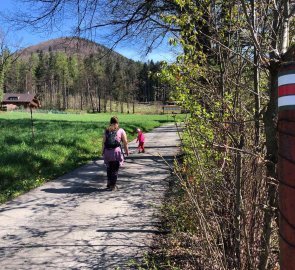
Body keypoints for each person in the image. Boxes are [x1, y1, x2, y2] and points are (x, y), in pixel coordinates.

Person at [102, 116, 129, 190]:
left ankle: (109, 182)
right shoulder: (121, 130)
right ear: (117, 123)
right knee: (115, 169)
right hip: (116, 153)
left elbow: (103, 142)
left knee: (109, 168)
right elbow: (125, 142)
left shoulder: (107, 130)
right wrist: (126, 151)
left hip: (107, 152)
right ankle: (112, 186)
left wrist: (102, 152)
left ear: (110, 123)